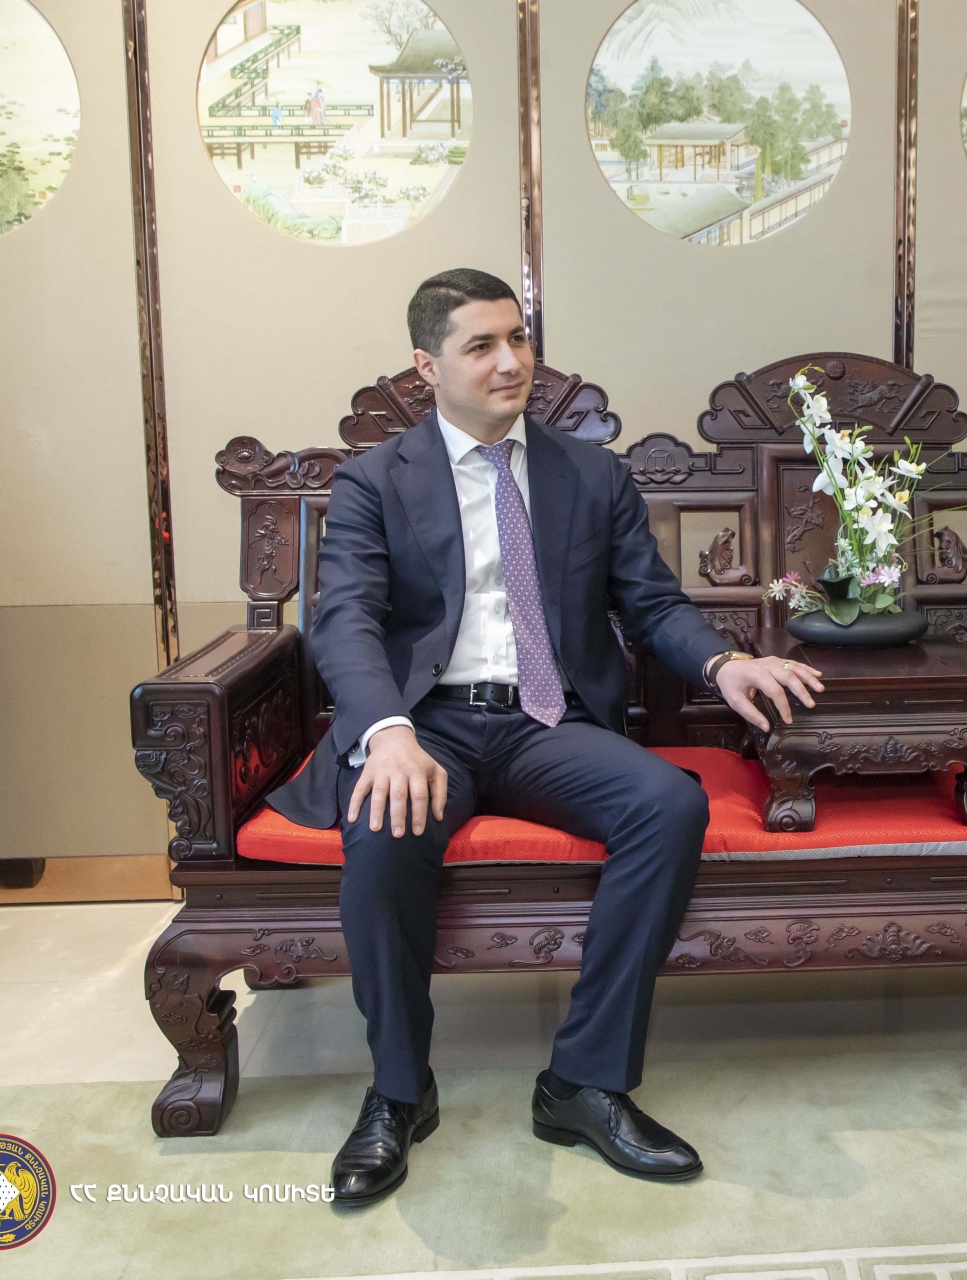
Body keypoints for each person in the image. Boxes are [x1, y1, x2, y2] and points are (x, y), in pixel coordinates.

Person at [268, 268, 824, 1206]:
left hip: (545, 721)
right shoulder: (375, 480)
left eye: (518, 338)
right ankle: (397, 1091)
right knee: (384, 827)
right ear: (426, 366)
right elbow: (347, 618)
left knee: (667, 804)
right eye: (481, 345)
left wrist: (723, 665)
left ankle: (584, 1083)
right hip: (426, 725)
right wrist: (387, 733)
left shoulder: (589, 473)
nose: (510, 362)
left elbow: (651, 603)